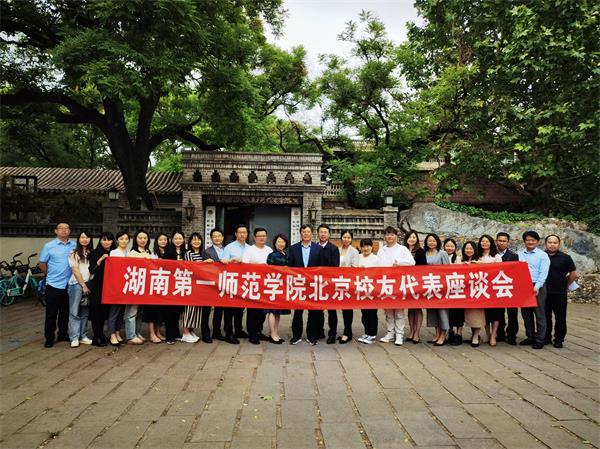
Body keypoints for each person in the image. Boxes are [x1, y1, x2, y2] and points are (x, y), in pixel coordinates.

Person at [39, 223, 77, 348]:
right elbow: (42, 263)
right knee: (51, 313)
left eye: (66, 228)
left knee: (65, 312)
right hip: (53, 285)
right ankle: (49, 337)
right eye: (61, 228)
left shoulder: (74, 245)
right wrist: (49, 274)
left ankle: (63, 334)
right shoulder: (49, 246)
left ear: (69, 231)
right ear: (56, 231)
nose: (64, 230)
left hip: (69, 284)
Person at [378, 226, 415, 346]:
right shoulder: (381, 250)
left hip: (399, 283)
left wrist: (398, 263)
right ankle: (390, 333)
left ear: (396, 236)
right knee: (388, 311)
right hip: (386, 283)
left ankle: (399, 334)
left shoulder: (402, 249)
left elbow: (412, 262)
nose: (389, 237)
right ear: (385, 236)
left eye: (392, 234)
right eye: (387, 234)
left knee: (399, 311)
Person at [288, 224, 322, 345]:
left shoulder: (318, 249)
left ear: (312, 233)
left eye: (308, 232)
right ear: (300, 234)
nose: (306, 234)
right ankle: (296, 335)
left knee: (313, 312)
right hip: (299, 283)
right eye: (304, 232)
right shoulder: (293, 248)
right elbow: (290, 266)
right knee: (298, 311)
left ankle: (311, 336)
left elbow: (321, 267)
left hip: (313, 284)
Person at [518, 230, 550, 349]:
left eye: (533, 240)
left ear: (537, 241)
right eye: (528, 240)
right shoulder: (520, 254)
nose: (530, 242)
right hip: (523, 286)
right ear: (524, 241)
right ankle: (530, 336)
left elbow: (543, 273)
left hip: (538, 286)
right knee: (526, 313)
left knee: (539, 313)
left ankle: (540, 339)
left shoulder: (543, 255)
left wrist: (537, 286)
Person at [544, 234, 577, 348]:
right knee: (545, 316)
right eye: (550, 242)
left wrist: (566, 284)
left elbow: (573, 274)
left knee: (560, 317)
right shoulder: (541, 256)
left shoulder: (565, 257)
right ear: (545, 244)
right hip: (544, 292)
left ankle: (559, 339)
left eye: (555, 242)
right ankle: (546, 337)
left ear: (559, 244)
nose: (552, 245)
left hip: (560, 292)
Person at [241, 227, 273, 344]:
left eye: (264, 236)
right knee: (253, 311)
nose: (262, 238)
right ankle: (252, 333)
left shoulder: (269, 250)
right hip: (253, 284)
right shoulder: (249, 250)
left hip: (265, 285)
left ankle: (259, 331)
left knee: (262, 311)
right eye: (259, 236)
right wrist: (259, 266)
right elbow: (244, 266)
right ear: (254, 237)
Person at [183, 232, 213, 343]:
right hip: (191, 284)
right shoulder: (188, 253)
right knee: (189, 309)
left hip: (201, 286)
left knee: (196, 310)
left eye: (198, 239)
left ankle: (191, 331)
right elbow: (191, 267)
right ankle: (185, 332)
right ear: (190, 242)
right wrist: (204, 263)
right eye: (194, 240)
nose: (196, 242)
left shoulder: (203, 253)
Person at [221, 224, 250, 339]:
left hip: (243, 282)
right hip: (231, 281)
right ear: (236, 234)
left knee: (240, 308)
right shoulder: (229, 247)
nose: (242, 234)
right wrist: (232, 260)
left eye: (244, 232)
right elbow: (223, 261)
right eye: (240, 232)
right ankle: (228, 332)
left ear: (247, 234)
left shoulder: (250, 248)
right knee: (229, 308)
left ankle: (238, 330)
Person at [203, 228, 231, 342]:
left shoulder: (227, 250)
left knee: (219, 309)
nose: (217, 238)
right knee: (206, 309)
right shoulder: (207, 251)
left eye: (219, 236)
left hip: (223, 283)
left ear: (223, 238)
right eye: (214, 236)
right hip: (210, 283)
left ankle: (216, 332)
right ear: (211, 238)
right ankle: (205, 333)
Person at [88, 232, 115, 347]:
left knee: (105, 311)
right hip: (98, 285)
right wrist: (101, 259)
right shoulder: (94, 253)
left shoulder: (114, 252)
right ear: (100, 241)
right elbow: (92, 270)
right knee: (96, 311)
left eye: (109, 240)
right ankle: (96, 336)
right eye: (104, 240)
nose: (106, 242)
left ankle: (101, 334)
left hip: (110, 286)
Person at [126, 230, 153, 345]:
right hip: (134, 286)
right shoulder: (132, 253)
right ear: (136, 239)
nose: (143, 240)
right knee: (132, 311)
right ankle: (130, 336)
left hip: (144, 286)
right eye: (140, 238)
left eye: (145, 238)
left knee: (140, 312)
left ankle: (136, 332)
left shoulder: (148, 252)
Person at [315, 224, 341, 344]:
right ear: (318, 233)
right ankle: (319, 331)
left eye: (325, 232)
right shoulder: (314, 247)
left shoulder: (333, 249)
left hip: (330, 284)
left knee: (331, 311)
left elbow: (335, 267)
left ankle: (332, 334)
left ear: (329, 234)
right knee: (317, 310)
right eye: (321, 232)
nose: (323, 234)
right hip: (316, 283)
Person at [67, 231, 93, 347]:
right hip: (76, 284)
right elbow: (75, 270)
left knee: (85, 311)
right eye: (82, 237)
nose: (85, 239)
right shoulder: (74, 253)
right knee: (74, 312)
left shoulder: (91, 252)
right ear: (78, 239)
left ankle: (83, 336)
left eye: (87, 237)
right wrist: (83, 285)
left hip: (88, 283)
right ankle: (74, 337)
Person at [424, 233, 451, 346]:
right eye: (429, 240)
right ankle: (437, 334)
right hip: (429, 286)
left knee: (442, 311)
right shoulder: (424, 253)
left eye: (434, 240)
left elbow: (448, 270)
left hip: (440, 286)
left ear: (437, 242)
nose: (431, 243)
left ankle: (443, 335)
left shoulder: (442, 253)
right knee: (432, 311)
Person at [265, 233, 292, 344]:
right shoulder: (272, 255)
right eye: (278, 242)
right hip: (273, 285)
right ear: (275, 243)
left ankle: (276, 333)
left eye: (283, 242)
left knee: (278, 312)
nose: (281, 244)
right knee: (272, 310)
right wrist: (282, 269)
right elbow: (269, 269)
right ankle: (272, 334)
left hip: (283, 285)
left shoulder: (285, 254)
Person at [478, 235, 503, 347]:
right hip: (482, 288)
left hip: (494, 288)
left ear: (491, 243)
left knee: (496, 313)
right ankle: (487, 334)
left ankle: (493, 335)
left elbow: (499, 270)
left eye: (487, 241)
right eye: (482, 241)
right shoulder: (478, 256)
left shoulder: (496, 256)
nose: (484, 243)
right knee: (485, 313)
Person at [143, 232, 168, 343]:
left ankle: (158, 332)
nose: (163, 241)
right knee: (152, 311)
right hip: (153, 285)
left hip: (164, 285)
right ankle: (152, 333)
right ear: (157, 241)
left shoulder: (168, 253)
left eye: (165, 239)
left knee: (160, 311)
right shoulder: (153, 254)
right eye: (161, 239)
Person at [495, 232, 520, 345]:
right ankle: (500, 333)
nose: (501, 243)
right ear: (496, 241)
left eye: (504, 241)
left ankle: (512, 335)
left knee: (512, 313)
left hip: (510, 287)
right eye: (499, 241)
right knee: (499, 312)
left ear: (508, 242)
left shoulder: (513, 256)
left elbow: (516, 272)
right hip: (496, 287)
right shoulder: (493, 254)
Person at [163, 231, 187, 344]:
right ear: (172, 240)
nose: (178, 240)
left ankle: (176, 332)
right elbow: (164, 266)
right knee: (169, 311)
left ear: (183, 239)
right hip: (170, 284)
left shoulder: (185, 252)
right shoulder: (168, 251)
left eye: (180, 238)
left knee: (178, 311)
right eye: (176, 238)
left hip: (181, 284)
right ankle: (169, 336)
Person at [404, 231, 427, 344]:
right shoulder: (403, 250)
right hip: (406, 282)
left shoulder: (420, 251)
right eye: (410, 237)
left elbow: (423, 268)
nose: (412, 239)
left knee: (417, 308)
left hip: (417, 282)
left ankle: (417, 333)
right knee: (410, 308)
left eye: (414, 237)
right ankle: (411, 331)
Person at [106, 231, 129, 346]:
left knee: (121, 312)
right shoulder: (113, 253)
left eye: (126, 239)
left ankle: (117, 332)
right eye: (121, 239)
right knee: (114, 311)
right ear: (117, 240)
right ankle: (111, 334)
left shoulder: (129, 253)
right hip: (116, 286)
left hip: (126, 286)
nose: (124, 241)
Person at [356, 239, 380, 344]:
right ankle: (367, 332)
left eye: (368, 246)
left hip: (372, 289)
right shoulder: (358, 257)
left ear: (371, 247)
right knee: (364, 313)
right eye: (363, 246)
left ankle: (372, 334)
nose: (366, 248)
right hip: (361, 289)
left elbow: (380, 273)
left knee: (372, 313)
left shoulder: (376, 259)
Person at [461, 241, 485, 347]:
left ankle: (476, 336)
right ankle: (473, 334)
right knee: (469, 315)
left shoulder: (480, 260)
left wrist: (478, 265)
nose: (468, 250)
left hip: (477, 292)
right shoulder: (460, 260)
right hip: (465, 292)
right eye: (466, 248)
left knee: (477, 314)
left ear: (475, 250)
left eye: (471, 248)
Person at [338, 230, 359, 343]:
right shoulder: (338, 250)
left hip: (348, 282)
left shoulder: (354, 252)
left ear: (351, 239)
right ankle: (345, 332)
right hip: (338, 282)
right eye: (344, 237)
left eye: (348, 237)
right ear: (341, 238)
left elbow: (355, 267)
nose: (346, 239)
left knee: (347, 308)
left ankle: (347, 332)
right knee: (340, 308)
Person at [444, 238, 464, 346]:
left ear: (455, 248)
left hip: (457, 288)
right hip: (445, 288)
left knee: (458, 311)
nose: (449, 248)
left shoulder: (458, 258)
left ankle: (459, 333)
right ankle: (450, 332)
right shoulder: (442, 256)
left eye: (452, 246)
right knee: (448, 311)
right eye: (447, 246)